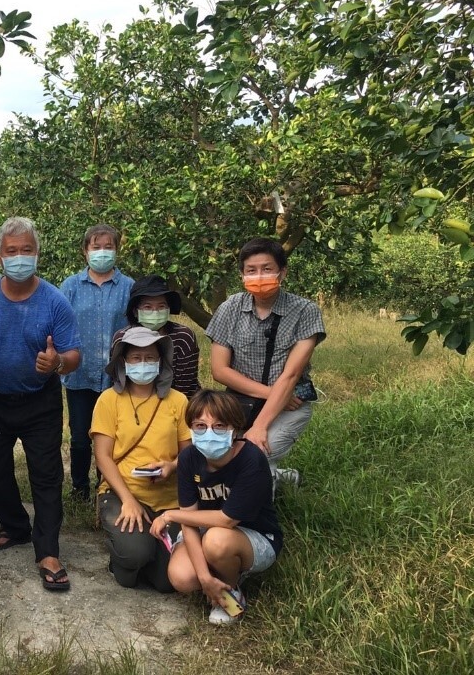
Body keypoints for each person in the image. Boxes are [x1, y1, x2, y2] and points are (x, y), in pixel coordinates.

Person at [0, 217, 81, 592]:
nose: (19, 257)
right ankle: (14, 527)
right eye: (11, 251)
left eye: (26, 250)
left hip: (39, 400)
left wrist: (57, 363)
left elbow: (74, 354)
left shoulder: (55, 300)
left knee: (46, 476)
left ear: (37, 253)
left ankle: (48, 551)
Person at [149, 390, 282, 625]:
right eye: (200, 425)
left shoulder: (252, 459)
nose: (209, 433)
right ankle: (212, 578)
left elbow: (227, 520)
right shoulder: (189, 457)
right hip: (205, 530)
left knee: (217, 541)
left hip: (256, 536)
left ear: (235, 429)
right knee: (181, 577)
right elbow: (189, 520)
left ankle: (231, 591)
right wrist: (202, 576)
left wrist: (169, 514)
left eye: (220, 426)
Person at [205, 238, 325, 488]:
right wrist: (272, 394)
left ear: (283, 272)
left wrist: (259, 427)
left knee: (253, 456)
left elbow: (291, 376)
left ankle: (257, 524)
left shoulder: (305, 311)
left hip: (290, 406)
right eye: (251, 270)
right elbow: (220, 370)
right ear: (242, 275)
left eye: (267, 269)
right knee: (215, 456)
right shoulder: (230, 308)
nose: (259, 276)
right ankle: (282, 478)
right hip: (241, 401)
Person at [91, 327, 190, 591]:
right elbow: (103, 456)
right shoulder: (108, 400)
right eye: (136, 358)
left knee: (168, 582)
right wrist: (128, 500)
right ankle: (126, 559)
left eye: (150, 357)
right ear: (123, 363)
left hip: (169, 501)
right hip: (121, 492)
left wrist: (172, 466)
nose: (143, 364)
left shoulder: (178, 401)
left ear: (161, 362)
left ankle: (151, 554)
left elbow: (189, 454)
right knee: (134, 556)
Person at [60, 224, 134, 501]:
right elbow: (59, 326)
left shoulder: (129, 287)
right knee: (80, 436)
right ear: (85, 251)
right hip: (79, 374)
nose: (102, 252)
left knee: (113, 436)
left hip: (116, 376)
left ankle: (107, 488)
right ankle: (80, 488)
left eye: (108, 246)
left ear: (117, 250)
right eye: (96, 246)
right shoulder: (70, 286)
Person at [119, 275, 201, 398]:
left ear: (168, 309)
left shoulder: (184, 337)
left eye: (161, 306)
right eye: (148, 307)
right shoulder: (122, 338)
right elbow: (119, 381)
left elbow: (186, 386)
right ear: (135, 311)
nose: (155, 311)